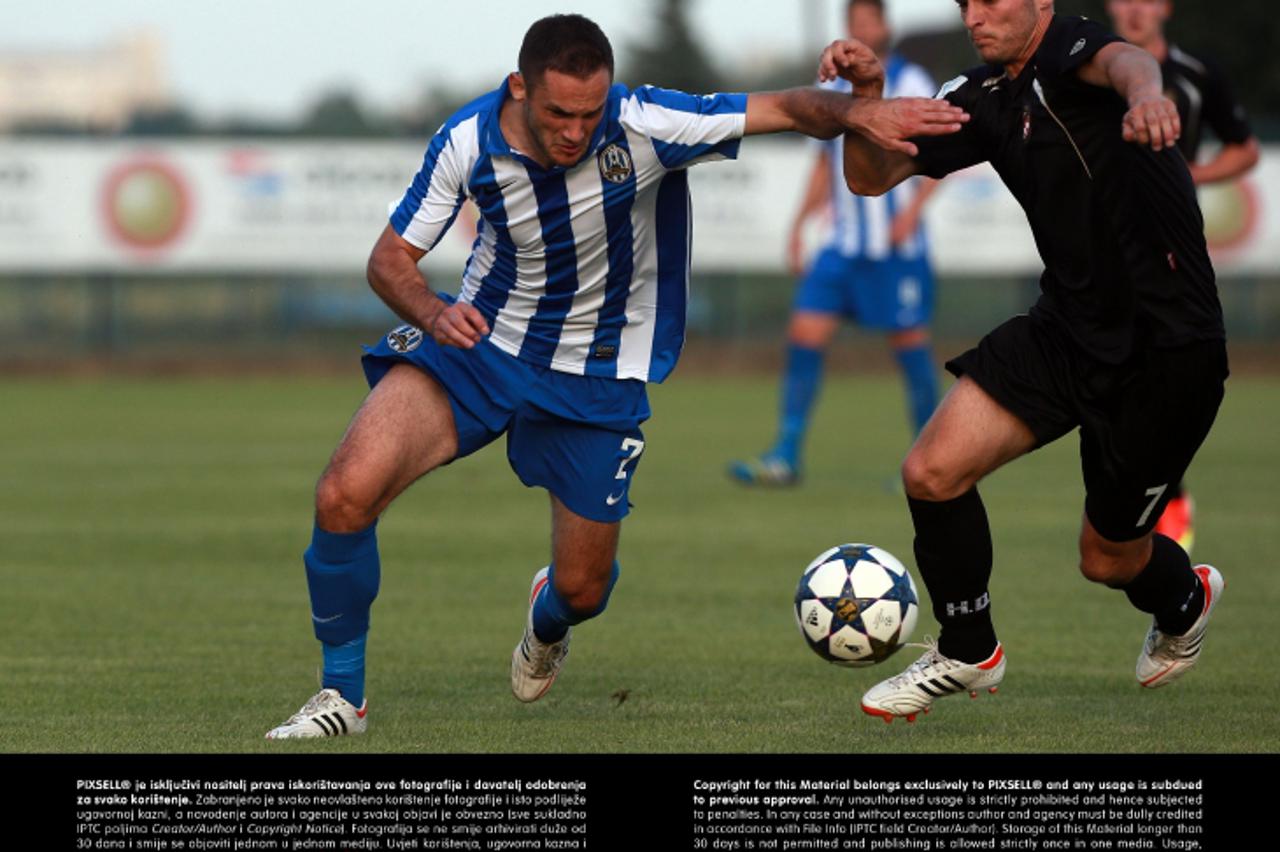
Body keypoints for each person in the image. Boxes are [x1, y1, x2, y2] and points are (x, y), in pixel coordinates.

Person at [264, 13, 968, 738]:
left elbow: (787, 107)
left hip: (597, 376)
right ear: (520, 88)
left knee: (583, 588)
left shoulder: (645, 122)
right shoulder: (467, 140)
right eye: (558, 114)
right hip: (478, 346)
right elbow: (389, 262)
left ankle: (549, 618)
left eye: (588, 113)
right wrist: (434, 315)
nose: (575, 131)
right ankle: (341, 699)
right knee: (344, 493)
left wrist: (859, 108)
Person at [821, 0, 1228, 723]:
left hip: (1169, 348)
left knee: (1108, 558)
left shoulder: (1075, 48)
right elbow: (871, 178)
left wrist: (1146, 97)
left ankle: (1185, 598)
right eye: (965, 3)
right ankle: (968, 650)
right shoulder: (980, 96)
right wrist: (865, 103)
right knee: (931, 473)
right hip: (1066, 328)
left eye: (992, 0)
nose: (976, 14)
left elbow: (1129, 61)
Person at [730, 0, 942, 487]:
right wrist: (800, 225)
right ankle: (785, 454)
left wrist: (910, 213)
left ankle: (932, 462)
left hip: (896, 250)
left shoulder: (912, 80)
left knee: (911, 348)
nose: (864, 28)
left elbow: (941, 154)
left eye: (871, 20)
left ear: (885, 26)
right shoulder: (834, 89)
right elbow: (825, 165)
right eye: (855, 22)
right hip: (843, 245)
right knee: (804, 335)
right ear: (846, 30)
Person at [1106, 0, 1260, 554]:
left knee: (1168, 378)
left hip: (1171, 253)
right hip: (1104, 252)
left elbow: (1243, 150)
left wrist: (1188, 174)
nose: (1134, 9)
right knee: (1110, 386)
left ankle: (1171, 499)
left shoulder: (1196, 77)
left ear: (1164, 7)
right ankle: (1144, 504)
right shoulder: (1094, 71)